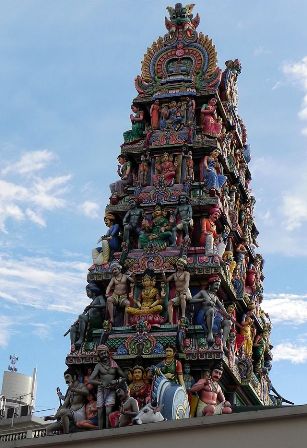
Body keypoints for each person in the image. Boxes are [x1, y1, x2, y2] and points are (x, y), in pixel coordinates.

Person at [89, 345, 125, 429]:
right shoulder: (98, 366)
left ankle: (108, 430)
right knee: (100, 411)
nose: (104, 355)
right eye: (101, 354)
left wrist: (116, 381)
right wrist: (101, 383)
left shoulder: (114, 364)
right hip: (101, 389)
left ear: (108, 353)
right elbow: (91, 380)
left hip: (111, 389)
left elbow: (124, 377)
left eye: (105, 353)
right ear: (99, 356)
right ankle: (100, 430)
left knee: (108, 411)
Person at [190, 276, 231, 349]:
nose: (217, 287)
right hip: (203, 315)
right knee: (211, 310)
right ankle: (210, 333)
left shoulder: (215, 296)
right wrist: (203, 300)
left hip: (215, 317)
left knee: (228, 322)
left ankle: (223, 343)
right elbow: (191, 300)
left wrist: (227, 314)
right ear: (210, 285)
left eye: (218, 285)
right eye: (216, 285)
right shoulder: (203, 292)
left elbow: (221, 307)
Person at [69, 283, 106, 351]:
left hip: (97, 320)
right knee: (73, 328)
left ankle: (81, 339)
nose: (87, 293)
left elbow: (104, 305)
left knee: (81, 317)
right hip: (90, 319)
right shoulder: (92, 302)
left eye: (88, 291)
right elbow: (87, 314)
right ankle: (73, 345)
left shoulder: (99, 297)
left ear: (93, 291)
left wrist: (92, 306)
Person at [163, 258, 191, 323]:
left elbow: (187, 282)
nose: (179, 267)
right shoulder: (174, 274)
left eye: (181, 266)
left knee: (182, 296)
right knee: (170, 302)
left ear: (184, 267)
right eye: (178, 265)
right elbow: (166, 281)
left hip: (186, 293)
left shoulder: (186, 273)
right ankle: (170, 321)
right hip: (178, 294)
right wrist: (163, 274)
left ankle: (183, 316)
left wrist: (185, 290)